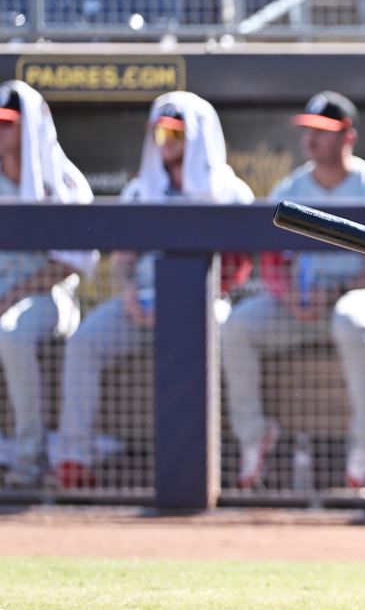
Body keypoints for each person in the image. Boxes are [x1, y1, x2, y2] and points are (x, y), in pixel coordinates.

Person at [53, 92, 254, 489]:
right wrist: (128, 293)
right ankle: (73, 457)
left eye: (175, 133)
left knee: (224, 332)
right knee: (84, 342)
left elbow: (240, 269)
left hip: (207, 302)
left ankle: (219, 461)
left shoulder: (230, 191)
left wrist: (196, 299)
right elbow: (124, 261)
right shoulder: (139, 190)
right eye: (160, 132)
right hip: (142, 302)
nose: (165, 141)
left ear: (196, 137)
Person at [221, 92, 365, 491]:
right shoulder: (292, 185)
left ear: (347, 137)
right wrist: (288, 296)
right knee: (237, 327)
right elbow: (272, 260)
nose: (311, 139)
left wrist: (335, 289)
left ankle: (364, 449)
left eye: (323, 131)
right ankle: (254, 438)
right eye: (309, 130)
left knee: (350, 319)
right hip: (302, 305)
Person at [0, 81, 97, 487]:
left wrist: (12, 295)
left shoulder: (64, 181)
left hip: (46, 297)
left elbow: (72, 263)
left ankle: (29, 457)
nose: (0, 130)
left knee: (11, 333)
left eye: (8, 123)